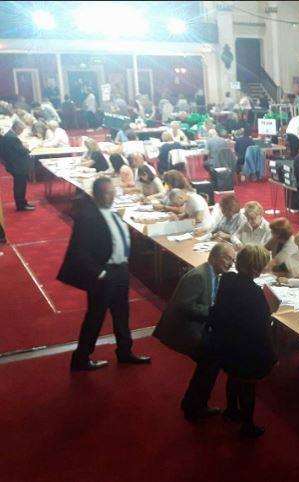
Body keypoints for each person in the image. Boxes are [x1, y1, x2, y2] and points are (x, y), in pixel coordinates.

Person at [57, 177, 150, 371]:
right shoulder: (88, 217)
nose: (112, 195)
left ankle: (125, 352)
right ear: (97, 195)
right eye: (108, 192)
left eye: (112, 191)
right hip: (105, 274)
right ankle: (81, 358)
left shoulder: (113, 213)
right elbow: (79, 251)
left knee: (122, 314)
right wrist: (99, 273)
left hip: (121, 271)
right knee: (96, 317)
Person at [153, 243, 236, 421]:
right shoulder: (199, 276)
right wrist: (214, 313)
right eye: (227, 258)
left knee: (212, 359)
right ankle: (195, 406)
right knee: (211, 359)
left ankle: (193, 403)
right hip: (183, 330)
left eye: (233, 260)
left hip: (196, 326)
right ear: (213, 257)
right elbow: (185, 306)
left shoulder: (213, 274)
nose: (231, 263)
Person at [207, 245, 277, 438]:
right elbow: (261, 327)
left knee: (233, 376)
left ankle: (231, 410)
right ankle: (247, 425)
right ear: (256, 268)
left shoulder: (227, 279)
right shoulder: (254, 293)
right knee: (248, 385)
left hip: (226, 342)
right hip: (246, 348)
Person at [0, 120, 35, 211]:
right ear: (17, 128)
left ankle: (23, 203)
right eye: (21, 130)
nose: (22, 132)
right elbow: (22, 151)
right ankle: (21, 205)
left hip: (14, 164)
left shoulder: (9, 135)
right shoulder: (12, 138)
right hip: (17, 166)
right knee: (20, 186)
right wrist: (27, 148)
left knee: (20, 185)